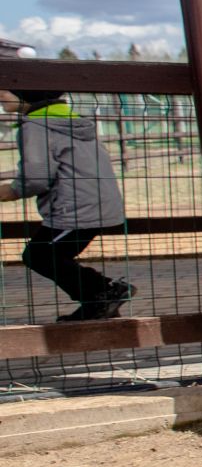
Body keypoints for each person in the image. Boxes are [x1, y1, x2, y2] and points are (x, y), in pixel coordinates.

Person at [0, 89, 134, 321]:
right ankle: (98, 302)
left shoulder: (36, 126)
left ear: (26, 93)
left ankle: (106, 291)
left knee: (40, 255)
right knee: (48, 255)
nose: (1, 97)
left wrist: (11, 191)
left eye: (5, 92)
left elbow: (36, 178)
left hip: (75, 210)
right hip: (97, 204)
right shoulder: (68, 120)